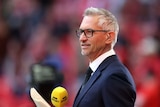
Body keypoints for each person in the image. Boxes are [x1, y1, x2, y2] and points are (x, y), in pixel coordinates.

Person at [73, 7, 136, 107]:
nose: (82, 38)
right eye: (81, 32)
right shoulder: (96, 72)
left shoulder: (115, 77)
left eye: (89, 32)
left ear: (109, 37)